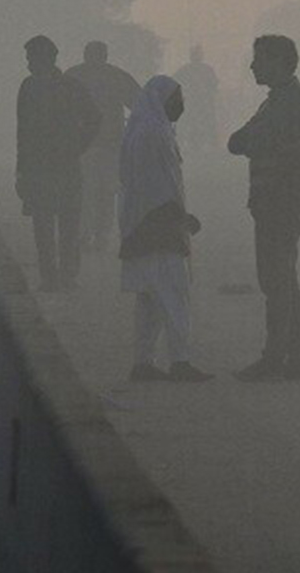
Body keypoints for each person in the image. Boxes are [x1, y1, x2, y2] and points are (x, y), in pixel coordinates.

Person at [228, 35, 300, 381]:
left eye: (259, 59)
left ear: (280, 62)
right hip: (275, 202)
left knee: (276, 283)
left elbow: (248, 140)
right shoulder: (281, 99)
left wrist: (252, 141)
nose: (253, 65)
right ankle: (297, 360)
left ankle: (275, 359)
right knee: (285, 282)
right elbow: (240, 142)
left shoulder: (289, 100)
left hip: (280, 201)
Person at [119, 76, 212, 382]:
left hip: (142, 224)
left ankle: (142, 362)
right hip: (157, 225)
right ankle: (180, 361)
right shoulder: (154, 134)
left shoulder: (143, 130)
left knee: (150, 298)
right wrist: (180, 218)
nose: (181, 106)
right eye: (177, 100)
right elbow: (159, 186)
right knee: (174, 294)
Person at [16, 36, 100, 291]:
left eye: (32, 59)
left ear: (46, 59)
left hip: (49, 167)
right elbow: (23, 131)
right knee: (59, 224)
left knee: (55, 224)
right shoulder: (60, 86)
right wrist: (78, 146)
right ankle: (61, 277)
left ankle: (57, 277)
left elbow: (94, 118)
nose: (29, 64)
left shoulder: (43, 87)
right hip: (55, 166)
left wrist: (77, 146)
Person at [66, 41, 141, 252]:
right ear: (106, 55)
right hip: (110, 144)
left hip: (82, 146)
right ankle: (102, 235)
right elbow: (139, 103)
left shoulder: (73, 76)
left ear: (85, 54)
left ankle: (84, 234)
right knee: (106, 192)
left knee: (85, 191)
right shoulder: (117, 76)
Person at [173, 44, 220, 153]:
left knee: (203, 122)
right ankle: (196, 144)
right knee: (194, 123)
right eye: (195, 54)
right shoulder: (192, 69)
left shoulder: (202, 69)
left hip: (201, 102)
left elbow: (213, 85)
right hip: (195, 103)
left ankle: (205, 144)